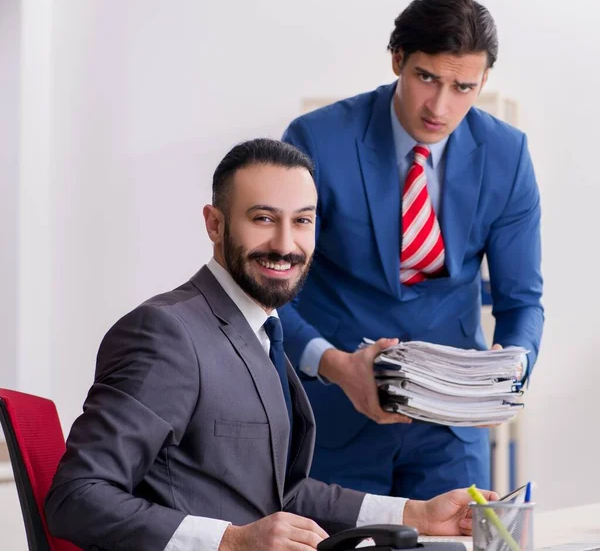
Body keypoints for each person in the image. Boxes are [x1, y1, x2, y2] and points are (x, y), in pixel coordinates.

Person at [45, 139, 497, 551]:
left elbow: (285, 494)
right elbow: (77, 497)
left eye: (302, 221)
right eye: (263, 218)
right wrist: (232, 542)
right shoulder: (166, 333)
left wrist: (416, 513)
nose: (285, 244)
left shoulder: (261, 332)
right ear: (215, 224)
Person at [278, 0, 544, 500]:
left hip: (451, 426)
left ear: (483, 80)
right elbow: (271, 291)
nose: (440, 106)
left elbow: (522, 302)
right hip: (334, 412)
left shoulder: (508, 156)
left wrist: (510, 372)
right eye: (426, 78)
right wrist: (334, 365)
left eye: (463, 87)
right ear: (398, 59)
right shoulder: (317, 139)